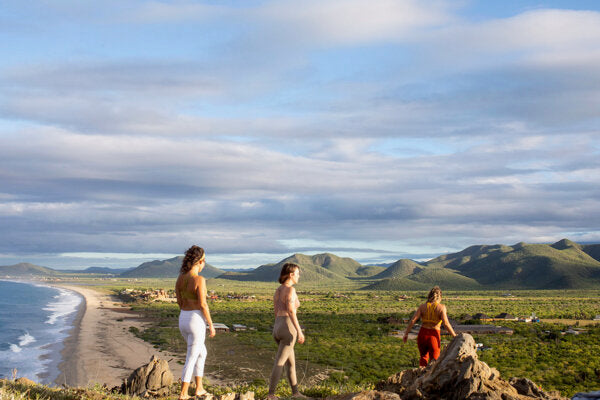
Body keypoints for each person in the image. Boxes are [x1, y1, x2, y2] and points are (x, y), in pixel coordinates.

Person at [175, 245, 216, 400]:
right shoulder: (199, 279)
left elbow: (179, 301)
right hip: (196, 320)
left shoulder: (180, 278)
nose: (204, 263)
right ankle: (183, 393)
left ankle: (199, 387)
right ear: (199, 261)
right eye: (204, 260)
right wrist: (210, 324)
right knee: (191, 357)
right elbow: (203, 304)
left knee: (201, 352)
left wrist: (187, 311)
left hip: (183, 317)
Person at [267, 263, 307, 400]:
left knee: (291, 363)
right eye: (297, 274)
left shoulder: (278, 290)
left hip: (277, 326)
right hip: (288, 328)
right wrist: (299, 331)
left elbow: (276, 311)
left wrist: (278, 326)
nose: (298, 276)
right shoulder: (291, 290)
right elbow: (291, 311)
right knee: (279, 362)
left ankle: (296, 393)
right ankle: (271, 394)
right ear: (291, 275)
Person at [403, 286, 456, 367]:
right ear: (440, 297)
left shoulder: (422, 306)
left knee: (423, 357)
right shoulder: (441, 307)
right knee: (434, 360)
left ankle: (421, 374)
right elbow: (446, 323)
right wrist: (454, 336)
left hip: (422, 334)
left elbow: (413, 320)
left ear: (429, 295)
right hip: (434, 335)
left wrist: (406, 334)